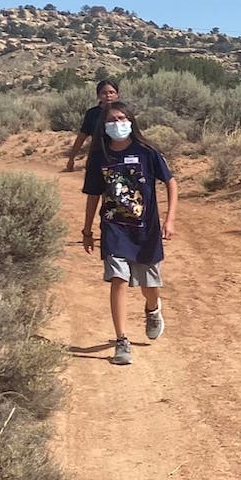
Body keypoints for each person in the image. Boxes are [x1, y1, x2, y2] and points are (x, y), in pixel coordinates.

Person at [79, 100, 176, 367]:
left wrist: (169, 219)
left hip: (146, 230)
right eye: (112, 121)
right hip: (114, 228)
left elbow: (170, 182)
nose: (118, 124)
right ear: (103, 126)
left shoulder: (146, 151)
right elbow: (93, 195)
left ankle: (152, 309)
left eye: (122, 118)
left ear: (131, 121)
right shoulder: (100, 156)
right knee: (118, 279)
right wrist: (87, 230)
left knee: (150, 286)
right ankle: (122, 340)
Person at [63, 78, 122, 173]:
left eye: (112, 92)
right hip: (98, 157)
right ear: (98, 96)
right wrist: (71, 158)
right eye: (104, 93)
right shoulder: (92, 114)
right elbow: (82, 136)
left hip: (121, 157)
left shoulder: (124, 112)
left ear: (117, 94)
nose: (108, 95)